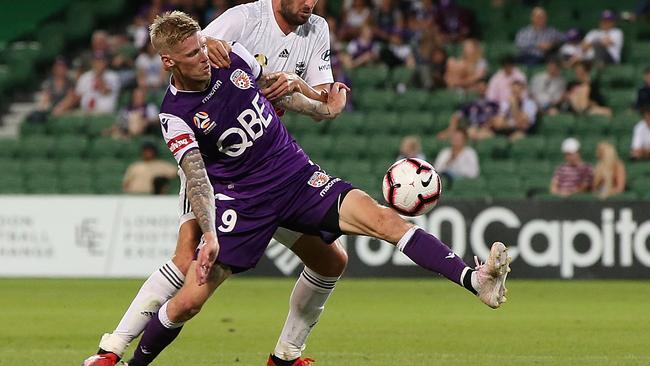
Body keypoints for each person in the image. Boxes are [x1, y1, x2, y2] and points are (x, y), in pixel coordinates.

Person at [116, 12, 510, 366]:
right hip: (244, 201)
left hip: (296, 176)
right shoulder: (175, 115)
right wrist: (212, 232)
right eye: (191, 54)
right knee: (188, 303)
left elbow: (275, 85)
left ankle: (475, 281)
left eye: (202, 46)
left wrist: (316, 91)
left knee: (383, 220)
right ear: (169, 61)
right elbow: (197, 179)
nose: (203, 57)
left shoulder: (230, 57)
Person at [83, 2, 348, 366]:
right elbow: (195, 46)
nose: (310, 3)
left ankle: (287, 355)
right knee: (185, 256)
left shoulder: (316, 29)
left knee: (331, 260)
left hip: (263, 166)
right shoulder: (245, 18)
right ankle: (111, 349)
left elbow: (316, 99)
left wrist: (323, 102)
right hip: (213, 165)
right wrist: (211, 42)